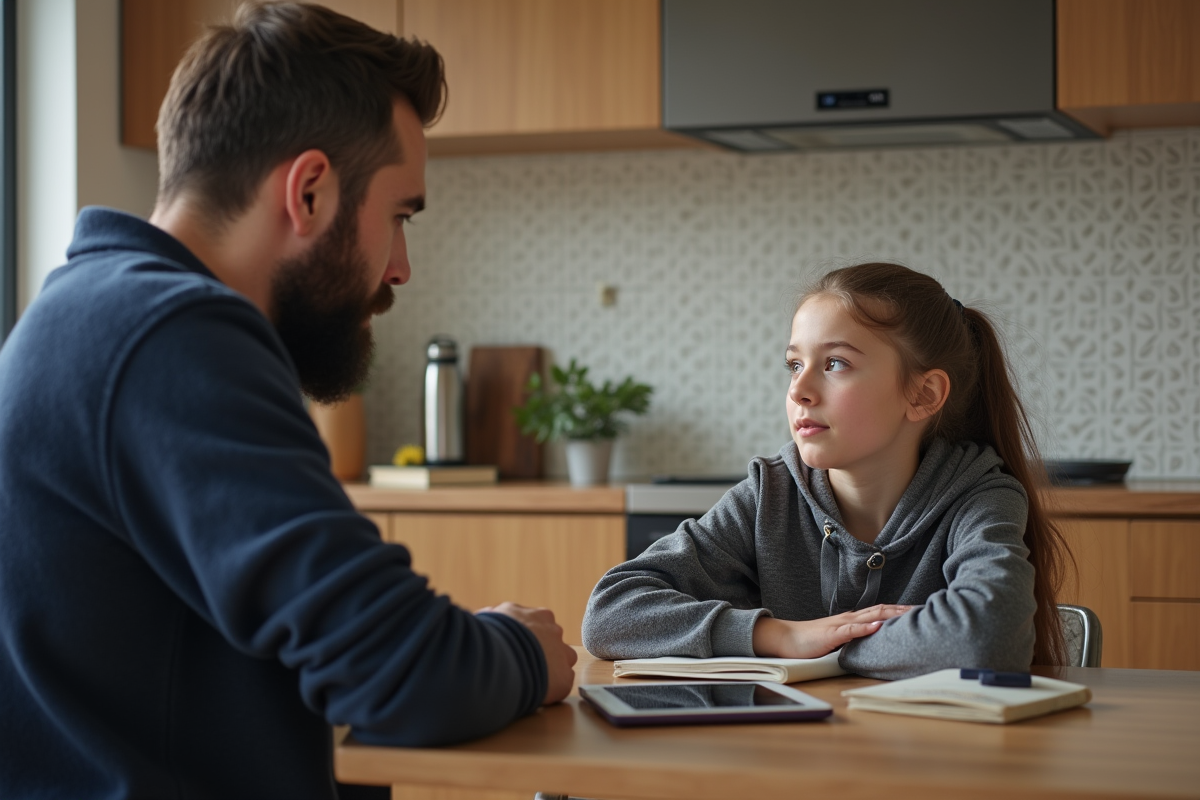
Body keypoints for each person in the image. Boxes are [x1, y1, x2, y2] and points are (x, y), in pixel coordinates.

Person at [0, 4, 575, 798]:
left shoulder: (96, 313)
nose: (400, 267)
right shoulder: (170, 332)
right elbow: (405, 673)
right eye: (399, 216)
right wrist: (517, 648)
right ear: (309, 191)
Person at [583, 262, 1070, 677]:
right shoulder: (769, 494)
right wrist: (781, 636)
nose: (800, 391)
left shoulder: (980, 497)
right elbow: (610, 611)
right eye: (795, 364)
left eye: (835, 364)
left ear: (923, 395)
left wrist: (825, 649)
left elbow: (987, 638)